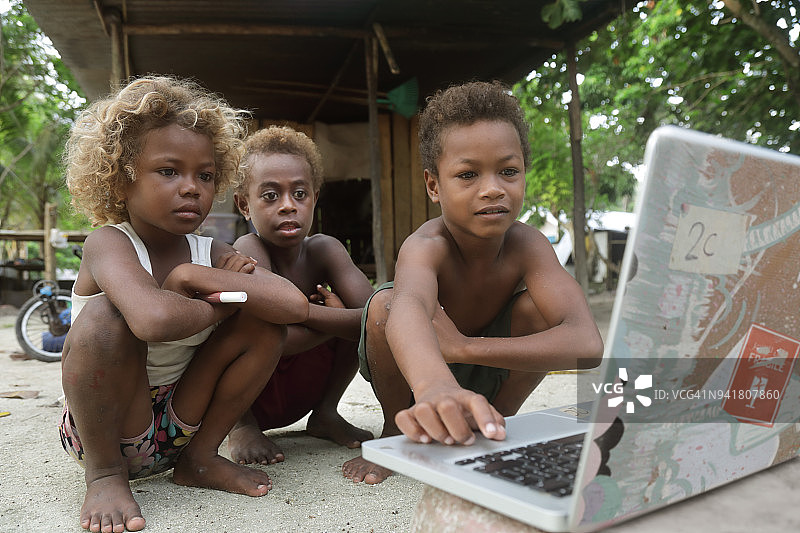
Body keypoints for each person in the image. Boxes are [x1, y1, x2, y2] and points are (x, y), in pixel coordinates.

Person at [59, 76, 310, 533]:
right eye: (169, 171)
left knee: (264, 326)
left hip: (181, 425)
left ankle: (200, 460)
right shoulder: (109, 244)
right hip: (108, 426)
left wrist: (193, 276)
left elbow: (292, 305)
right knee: (103, 319)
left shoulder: (208, 253)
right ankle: (105, 477)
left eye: (206, 175)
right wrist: (221, 302)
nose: (192, 187)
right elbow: (152, 319)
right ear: (121, 179)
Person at [342, 81, 604, 485]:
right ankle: (395, 430)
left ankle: (497, 420)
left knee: (539, 313)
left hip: (487, 365)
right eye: (468, 174)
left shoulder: (528, 244)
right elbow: (409, 307)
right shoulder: (427, 246)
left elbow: (587, 346)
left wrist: (463, 348)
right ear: (434, 186)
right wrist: (434, 384)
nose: (493, 188)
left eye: (508, 171)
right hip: (419, 373)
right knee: (386, 304)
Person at [229, 125, 373, 465]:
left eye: (299, 193)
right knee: (249, 329)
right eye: (270, 196)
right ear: (243, 205)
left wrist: (317, 320)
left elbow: (375, 319)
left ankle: (325, 413)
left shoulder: (325, 250)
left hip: (304, 386)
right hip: (250, 394)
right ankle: (240, 426)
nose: (287, 206)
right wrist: (331, 321)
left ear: (315, 197)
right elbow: (275, 340)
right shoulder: (247, 249)